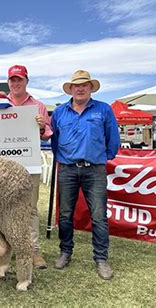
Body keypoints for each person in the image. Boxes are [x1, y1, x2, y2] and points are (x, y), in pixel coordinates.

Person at [51, 70, 120, 280]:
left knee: (99, 216)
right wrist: (63, 158)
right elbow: (54, 140)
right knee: (65, 214)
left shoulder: (103, 110)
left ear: (91, 88)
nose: (80, 89)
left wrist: (101, 157)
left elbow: (113, 139)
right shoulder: (60, 112)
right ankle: (65, 252)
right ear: (70, 89)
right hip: (68, 169)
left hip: (95, 169)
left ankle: (101, 259)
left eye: (84, 85)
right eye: (76, 85)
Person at [1, 64, 52, 269]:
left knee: (29, 208)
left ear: (26, 81)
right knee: (0, 209)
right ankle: (3, 252)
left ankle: (34, 251)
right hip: (2, 169)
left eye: (19, 79)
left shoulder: (38, 105)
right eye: (12, 80)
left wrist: (42, 126)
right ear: (8, 82)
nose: (16, 83)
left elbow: (48, 132)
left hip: (29, 166)